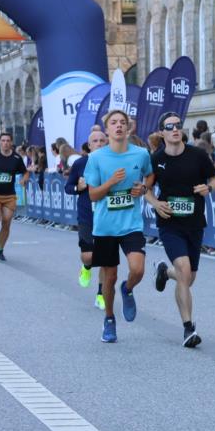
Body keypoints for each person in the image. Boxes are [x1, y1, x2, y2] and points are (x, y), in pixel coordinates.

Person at [145, 112, 215, 347]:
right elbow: (145, 189)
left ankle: (163, 272)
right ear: (162, 132)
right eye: (170, 126)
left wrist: (208, 188)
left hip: (194, 223)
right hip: (170, 223)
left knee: (188, 278)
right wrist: (156, 203)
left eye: (178, 125)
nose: (175, 129)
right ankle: (188, 328)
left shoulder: (197, 155)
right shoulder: (156, 159)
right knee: (184, 268)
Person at [83, 110, 152, 342]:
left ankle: (129, 288)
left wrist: (142, 188)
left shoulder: (141, 154)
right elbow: (93, 195)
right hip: (105, 227)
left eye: (123, 123)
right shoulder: (96, 158)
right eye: (114, 123)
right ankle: (109, 319)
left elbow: (149, 176)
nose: (119, 126)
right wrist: (111, 182)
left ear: (129, 128)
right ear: (107, 130)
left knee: (138, 268)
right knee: (109, 277)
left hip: (131, 224)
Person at [65, 128, 108, 309]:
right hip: (86, 216)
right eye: (95, 141)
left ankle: (101, 294)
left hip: (107, 216)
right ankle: (87, 267)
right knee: (89, 256)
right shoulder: (80, 163)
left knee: (106, 259)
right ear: (89, 146)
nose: (99, 143)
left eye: (102, 140)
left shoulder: (112, 162)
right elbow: (68, 187)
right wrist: (78, 188)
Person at [0, 132, 30, 260]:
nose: (5, 143)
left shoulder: (16, 158)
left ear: (11, 142)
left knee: (7, 221)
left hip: (9, 195)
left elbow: (25, 172)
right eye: (3, 140)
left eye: (8, 141)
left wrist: (24, 179)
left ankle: (0, 250)